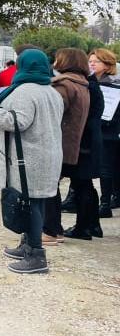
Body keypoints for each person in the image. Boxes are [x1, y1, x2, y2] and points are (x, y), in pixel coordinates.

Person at [0, 49, 64, 274]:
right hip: (45, 154)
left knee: (31, 204)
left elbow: (16, 122)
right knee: (34, 203)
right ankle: (27, 245)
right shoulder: (51, 91)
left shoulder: (25, 91)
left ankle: (36, 255)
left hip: (28, 158)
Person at [43, 49, 90, 245]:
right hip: (71, 142)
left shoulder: (64, 85)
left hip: (58, 142)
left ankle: (51, 230)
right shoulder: (82, 84)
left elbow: (52, 112)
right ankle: (54, 229)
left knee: (48, 186)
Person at [64, 67, 104, 240]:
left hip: (83, 140)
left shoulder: (88, 87)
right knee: (85, 184)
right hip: (90, 137)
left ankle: (83, 227)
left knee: (81, 184)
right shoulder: (92, 85)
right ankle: (93, 225)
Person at [88, 48, 120, 217]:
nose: (92, 64)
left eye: (96, 61)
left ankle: (105, 203)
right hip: (95, 129)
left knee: (107, 168)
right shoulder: (89, 82)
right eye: (90, 61)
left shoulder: (115, 85)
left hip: (110, 131)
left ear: (107, 65)